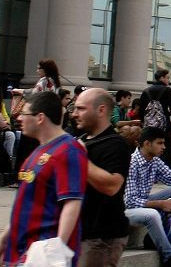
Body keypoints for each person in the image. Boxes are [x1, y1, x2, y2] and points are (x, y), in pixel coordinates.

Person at [0, 90, 87, 267]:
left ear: (40, 117)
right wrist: (2, 241)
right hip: (23, 252)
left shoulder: (68, 150)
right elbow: (24, 203)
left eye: (24, 114)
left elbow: (72, 203)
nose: (19, 118)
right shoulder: (37, 151)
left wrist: (57, 249)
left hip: (44, 253)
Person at [73, 88, 133, 267]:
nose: (75, 114)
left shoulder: (116, 145)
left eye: (81, 108)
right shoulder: (82, 140)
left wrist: (82, 159)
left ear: (101, 110)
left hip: (101, 237)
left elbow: (112, 186)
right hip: (80, 231)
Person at [124, 128, 171, 267]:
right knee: (152, 215)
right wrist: (159, 204)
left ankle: (154, 238)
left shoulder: (154, 161)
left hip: (142, 202)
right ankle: (168, 258)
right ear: (147, 144)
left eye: (164, 143)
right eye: (160, 143)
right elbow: (129, 201)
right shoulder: (131, 163)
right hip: (125, 210)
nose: (164, 147)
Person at [138, 68, 171, 169]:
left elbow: (141, 109)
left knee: (150, 145)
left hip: (149, 125)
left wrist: (143, 121)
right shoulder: (168, 90)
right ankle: (166, 168)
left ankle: (148, 167)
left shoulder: (146, 91)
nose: (168, 80)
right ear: (162, 78)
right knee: (165, 146)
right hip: (164, 123)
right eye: (167, 78)